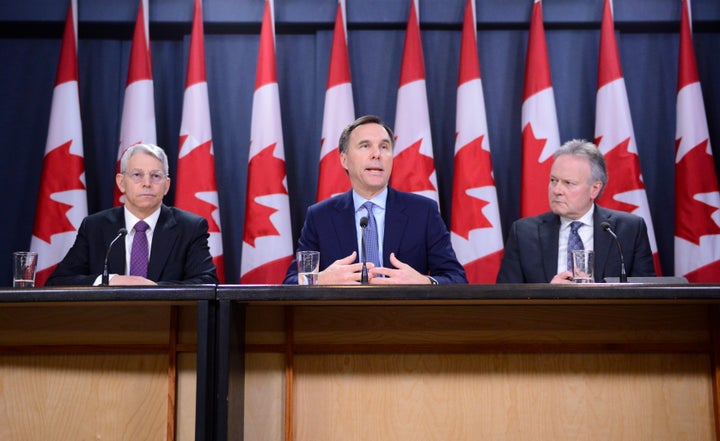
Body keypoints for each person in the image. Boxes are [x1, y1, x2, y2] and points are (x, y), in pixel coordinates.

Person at [283, 115, 467, 285]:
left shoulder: (423, 211)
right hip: (341, 318)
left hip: (405, 317)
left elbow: (456, 278)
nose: (377, 154)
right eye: (365, 146)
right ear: (344, 160)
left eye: (384, 147)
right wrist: (319, 280)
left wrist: (424, 282)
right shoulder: (320, 216)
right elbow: (291, 282)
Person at [46, 143, 218, 286]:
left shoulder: (190, 227)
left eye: (156, 176)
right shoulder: (94, 227)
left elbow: (207, 282)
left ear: (166, 186)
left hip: (167, 322)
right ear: (121, 182)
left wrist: (154, 290)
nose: (147, 183)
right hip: (107, 322)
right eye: (137, 175)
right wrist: (110, 280)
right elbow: (58, 282)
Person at [497, 139, 656, 283]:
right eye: (553, 180)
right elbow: (505, 299)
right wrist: (546, 295)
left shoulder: (628, 230)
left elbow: (647, 296)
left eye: (568, 183)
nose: (557, 190)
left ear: (594, 189)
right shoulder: (523, 233)